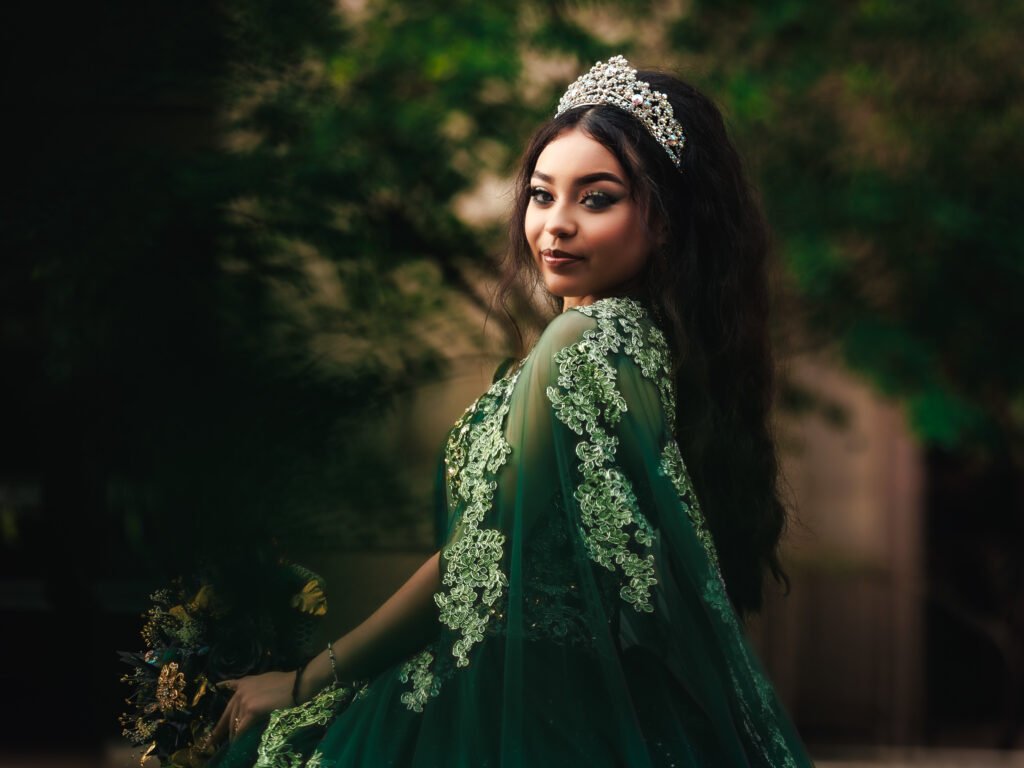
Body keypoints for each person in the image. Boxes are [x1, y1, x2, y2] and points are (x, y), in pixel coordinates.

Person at [205, 55, 814, 767]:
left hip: (509, 706)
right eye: (541, 195)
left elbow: (477, 557)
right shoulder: (647, 346)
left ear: (667, 221)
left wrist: (308, 679)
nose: (556, 225)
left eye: (597, 199)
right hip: (567, 705)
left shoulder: (584, 340)